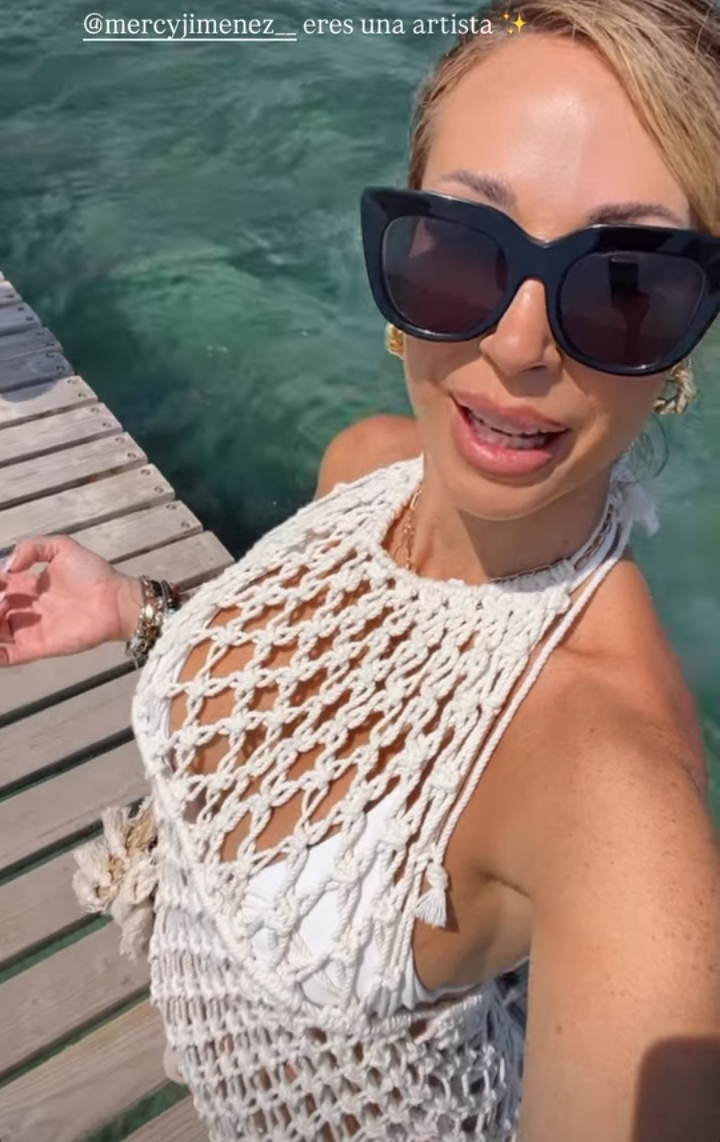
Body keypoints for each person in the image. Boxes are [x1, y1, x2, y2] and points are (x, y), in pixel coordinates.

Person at [1, 1, 720, 1138]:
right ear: (404, 249)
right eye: (466, 249)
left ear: (688, 339)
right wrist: (140, 609)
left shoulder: (617, 791)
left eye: (626, 284)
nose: (518, 343)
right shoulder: (367, 468)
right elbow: (326, 655)